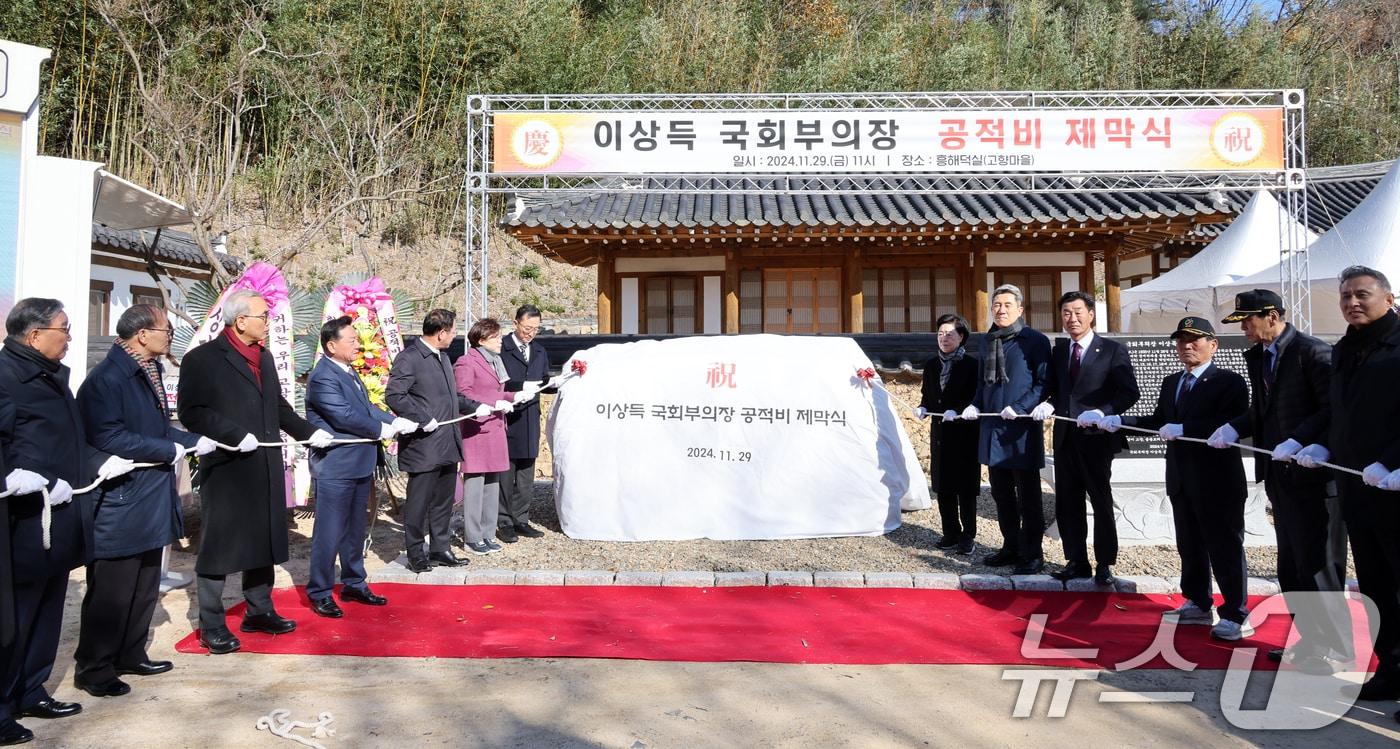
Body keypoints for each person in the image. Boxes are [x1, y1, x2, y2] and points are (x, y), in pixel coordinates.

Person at [0, 298, 135, 742]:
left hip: (59, 514)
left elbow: (71, 442)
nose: (71, 336)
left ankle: (31, 690)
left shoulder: (54, 378)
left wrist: (101, 460)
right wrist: (14, 476)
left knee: (48, 607)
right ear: (35, 335)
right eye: (65, 328)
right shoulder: (6, 376)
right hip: (20, 518)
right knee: (13, 615)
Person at [73, 305, 218, 697]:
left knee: (144, 583)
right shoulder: (107, 380)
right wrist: (166, 449)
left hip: (150, 493)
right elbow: (109, 437)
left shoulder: (147, 371)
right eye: (164, 329)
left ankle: (130, 652)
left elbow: (157, 429)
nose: (169, 334)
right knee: (113, 588)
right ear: (140, 334)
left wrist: (191, 441)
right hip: (121, 498)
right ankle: (94, 666)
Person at [177, 290, 331, 655]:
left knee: (263, 538)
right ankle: (211, 624)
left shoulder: (262, 357)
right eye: (264, 315)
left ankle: (259, 610)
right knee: (219, 545)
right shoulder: (203, 358)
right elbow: (191, 411)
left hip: (264, 463)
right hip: (229, 467)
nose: (269, 321)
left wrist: (311, 434)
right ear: (240, 320)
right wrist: (232, 435)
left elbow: (277, 407)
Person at [1211, 289, 1350, 672]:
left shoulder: (1312, 352)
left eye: (1248, 319)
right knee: (1291, 566)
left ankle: (1335, 648)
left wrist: (1305, 440)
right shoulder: (1260, 357)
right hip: (1279, 474)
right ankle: (1310, 640)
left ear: (1272, 316)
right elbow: (1263, 410)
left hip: (1315, 476)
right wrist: (1233, 428)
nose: (1243, 328)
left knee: (1320, 564)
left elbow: (1333, 409)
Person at [1102, 316, 1251, 641]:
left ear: (1213, 344)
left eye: (1194, 339)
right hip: (1182, 477)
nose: (1186, 346)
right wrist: (1120, 420)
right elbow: (1160, 420)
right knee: (1190, 543)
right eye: (1181, 340)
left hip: (1218, 480)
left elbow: (1231, 420)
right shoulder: (1173, 382)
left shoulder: (1229, 381)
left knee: (1225, 546)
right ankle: (1197, 602)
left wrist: (1188, 429)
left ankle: (1235, 614)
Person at [1292, 266, 1400, 703]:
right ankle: (1390, 668)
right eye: (1345, 296)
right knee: (1374, 584)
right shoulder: (1344, 351)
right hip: (1358, 488)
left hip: (1394, 487)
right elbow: (1339, 413)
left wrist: (1393, 462)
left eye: (1363, 294)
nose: (1353, 302)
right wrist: (1313, 443)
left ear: (1389, 298)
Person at [304, 316, 418, 618]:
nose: (359, 345)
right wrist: (379, 430)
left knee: (355, 529)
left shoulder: (348, 370)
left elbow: (366, 408)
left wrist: (394, 420)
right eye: (352, 340)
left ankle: (354, 582)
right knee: (329, 531)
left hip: (359, 462)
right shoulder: (323, 376)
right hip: (336, 466)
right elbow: (342, 416)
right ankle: (320, 591)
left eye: (357, 339)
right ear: (331, 345)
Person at [1033, 291, 1139, 587]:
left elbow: (1130, 392)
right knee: (1068, 502)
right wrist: (1049, 404)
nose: (1072, 318)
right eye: (1066, 313)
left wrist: (1103, 411)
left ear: (1091, 314)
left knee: (1101, 501)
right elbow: (1056, 390)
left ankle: (1105, 562)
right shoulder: (1060, 351)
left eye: (1078, 312)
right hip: (1065, 437)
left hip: (1096, 440)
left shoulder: (1111, 350)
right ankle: (1076, 560)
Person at [385, 309, 490, 572]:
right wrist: (421, 418)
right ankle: (416, 553)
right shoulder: (409, 358)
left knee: (444, 501)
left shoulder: (442, 357)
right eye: (453, 331)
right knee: (419, 503)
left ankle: (440, 548)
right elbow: (395, 395)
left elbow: (452, 396)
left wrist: (477, 406)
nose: (455, 336)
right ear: (441, 332)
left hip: (447, 443)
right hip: (424, 445)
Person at [959, 284, 1052, 575]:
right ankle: (1010, 545)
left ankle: (1033, 553)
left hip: (1021, 429)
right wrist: (974, 404)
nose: (1001, 310)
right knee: (1001, 493)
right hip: (992, 426)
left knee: (1028, 496)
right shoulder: (987, 340)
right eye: (996, 305)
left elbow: (1043, 383)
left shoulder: (1034, 340)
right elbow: (980, 383)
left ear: (1020, 309)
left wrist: (1023, 407)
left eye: (1007, 305)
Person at [454, 318, 536, 556]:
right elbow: (464, 395)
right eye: (496, 337)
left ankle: (488, 532)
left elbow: (498, 391)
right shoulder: (466, 362)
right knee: (475, 485)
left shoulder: (495, 361)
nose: (501, 341)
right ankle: (472, 536)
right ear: (481, 340)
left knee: (492, 484)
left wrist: (515, 396)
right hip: (477, 430)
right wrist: (494, 403)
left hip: (496, 429)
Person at [915, 313, 981, 554]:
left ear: (961, 337)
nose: (944, 338)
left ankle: (968, 536)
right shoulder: (932, 365)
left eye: (950, 334)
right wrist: (923, 407)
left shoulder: (972, 365)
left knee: (965, 488)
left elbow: (976, 397)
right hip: (941, 434)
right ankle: (950, 532)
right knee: (943, 487)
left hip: (964, 435)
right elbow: (927, 395)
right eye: (940, 334)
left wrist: (960, 409)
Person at [496, 305, 557, 543]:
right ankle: (504, 521)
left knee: (525, 474)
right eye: (527, 328)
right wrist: (521, 386)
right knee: (505, 473)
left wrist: (558, 381)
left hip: (531, 416)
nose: (530, 333)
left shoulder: (539, 351)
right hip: (508, 417)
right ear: (515, 323)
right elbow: (498, 383)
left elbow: (542, 381)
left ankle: (521, 518)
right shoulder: (502, 348)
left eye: (535, 329)